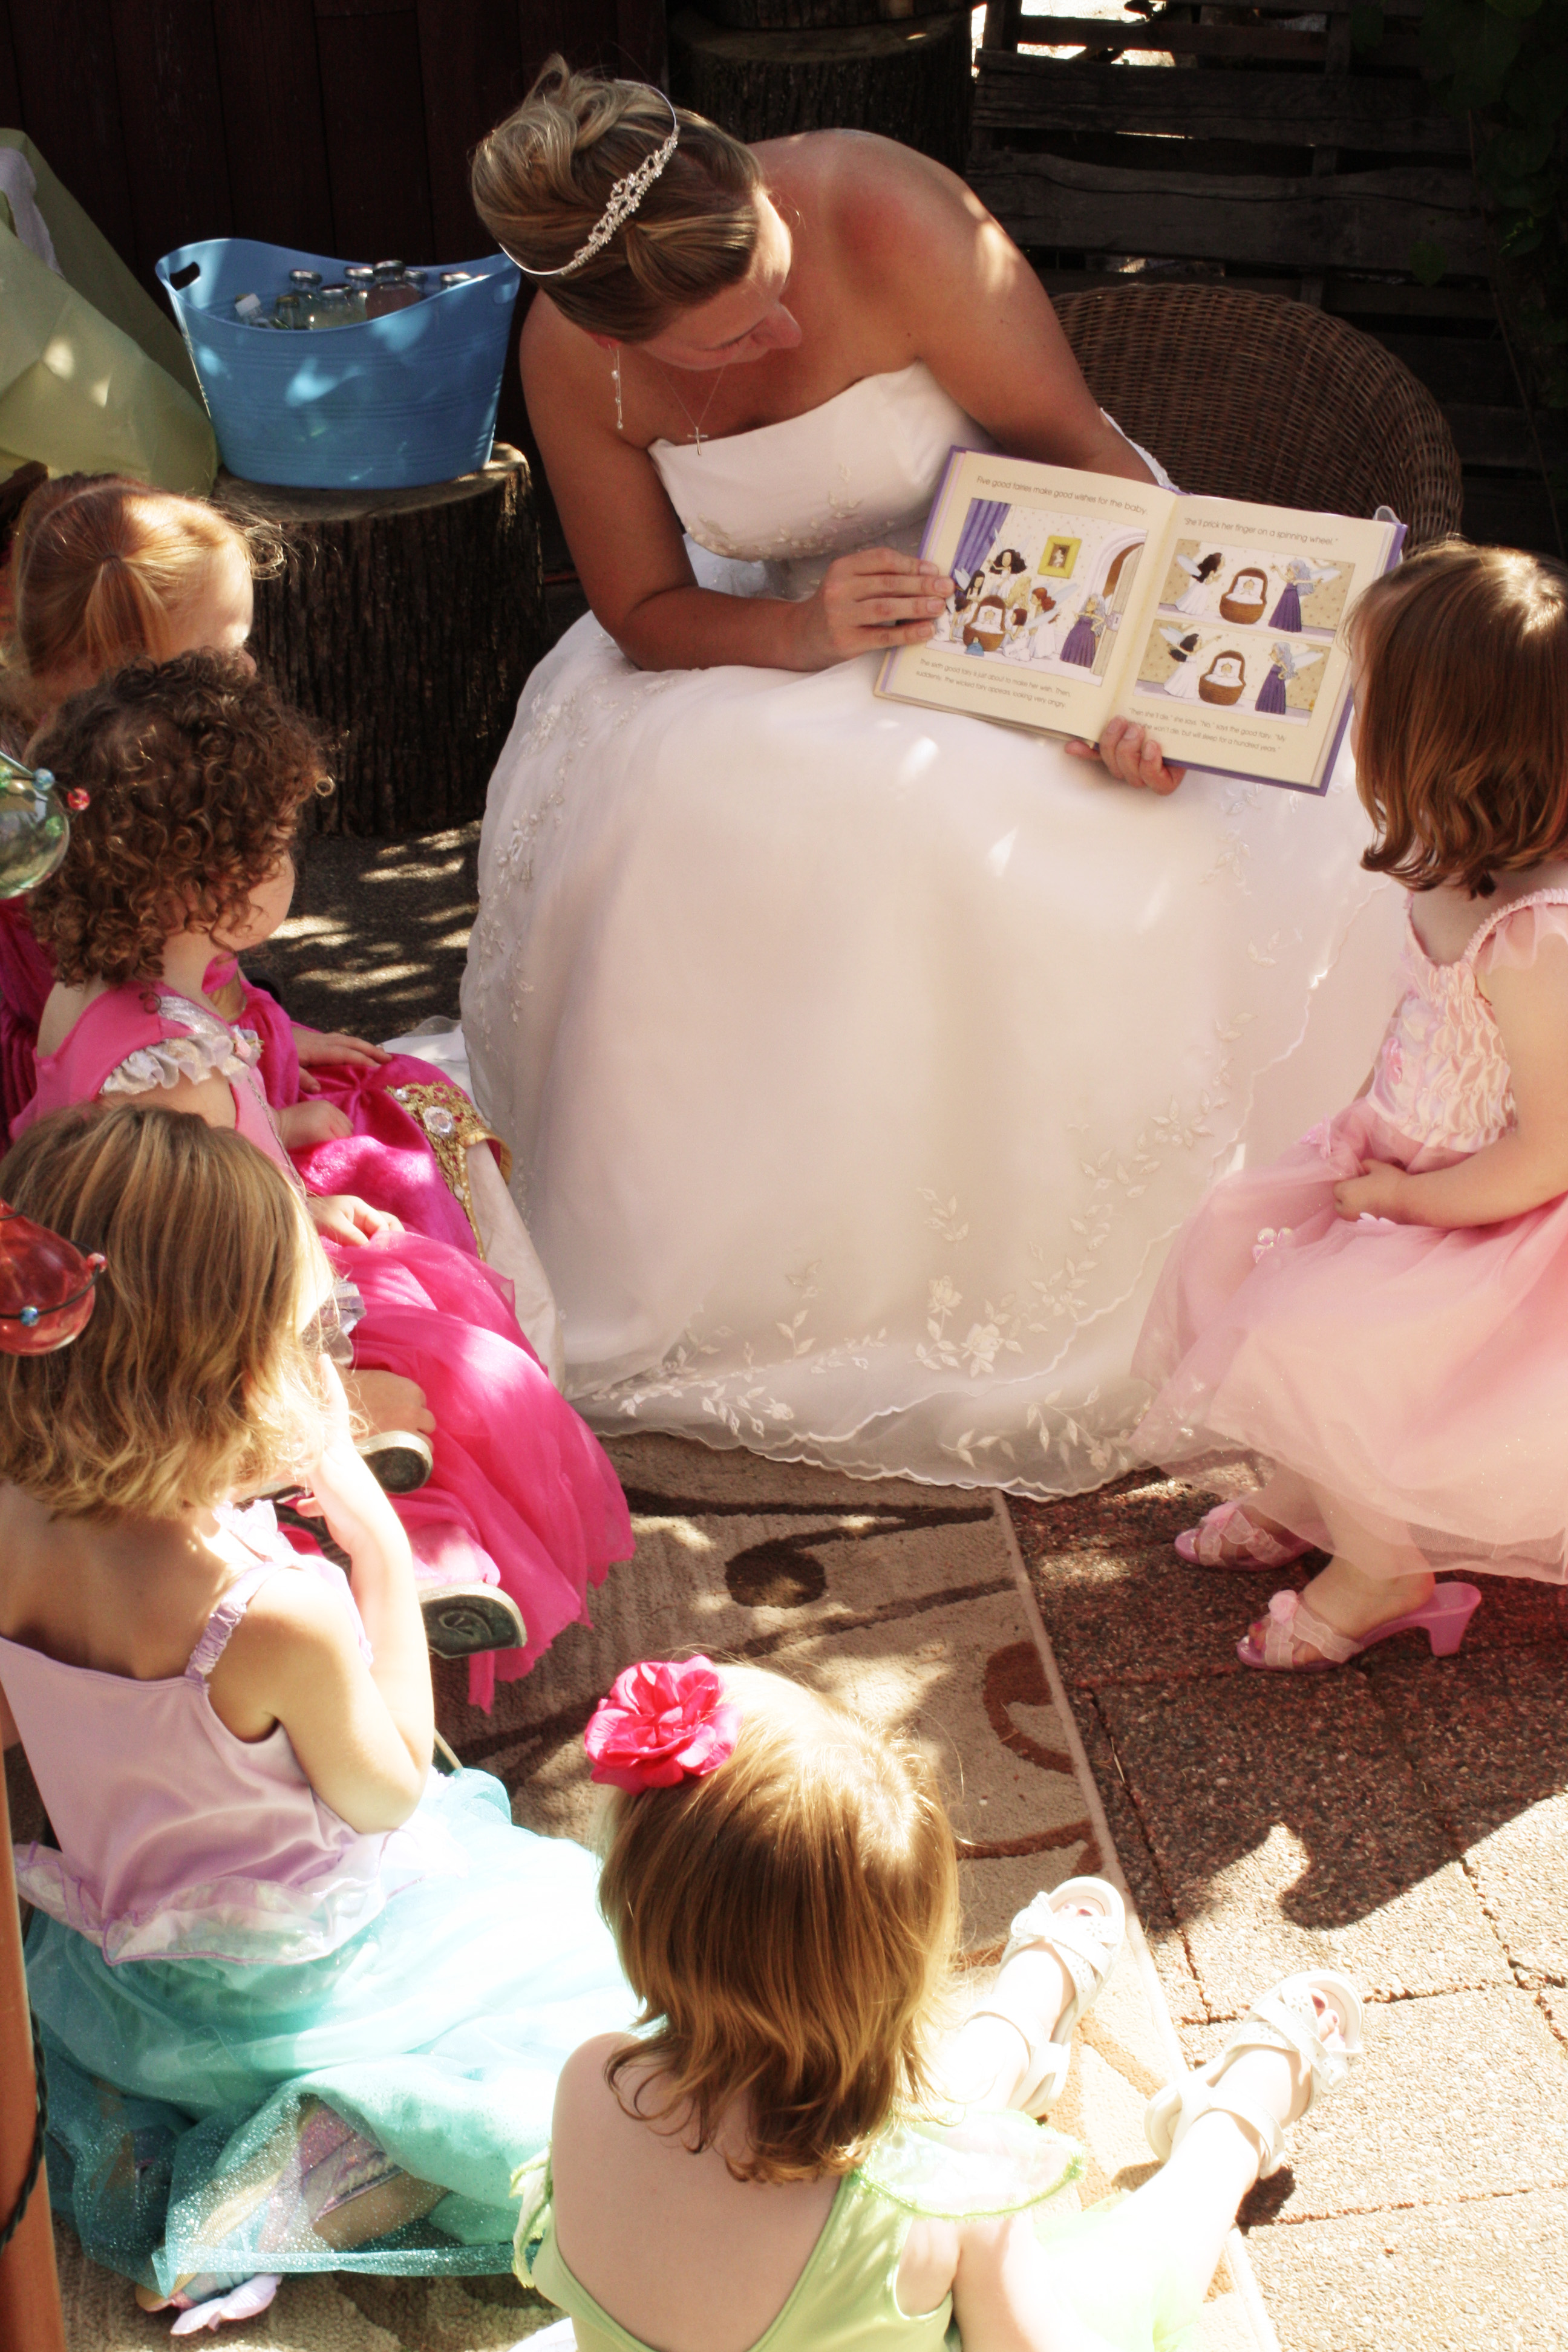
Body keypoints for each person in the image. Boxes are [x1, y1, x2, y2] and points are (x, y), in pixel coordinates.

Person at [459, 60, 1399, 1497]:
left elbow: (1079, 449)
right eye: (732, 339)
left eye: (775, 284)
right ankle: (807, 1273)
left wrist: (1125, 678)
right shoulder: (568, 355)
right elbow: (643, 609)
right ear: (610, 336)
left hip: (1050, 569)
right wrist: (794, 634)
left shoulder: (892, 213)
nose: (778, 331)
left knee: (1044, 838)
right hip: (767, 633)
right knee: (711, 820)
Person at [0, 1101, 638, 2329]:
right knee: (592, 1984)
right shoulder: (270, 1610)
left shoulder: (9, 1523)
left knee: (124, 2055)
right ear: (232, 1374)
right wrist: (381, 1551)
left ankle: (157, 2129)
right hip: (316, 1980)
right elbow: (390, 1791)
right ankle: (306, 2168)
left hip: (129, 1978)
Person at [20, 652, 632, 1704]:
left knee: (415, 1303)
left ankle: (391, 1521)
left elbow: (189, 1181)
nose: (290, 865)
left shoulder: (100, 995)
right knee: (441, 1373)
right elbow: (194, 1271)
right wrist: (313, 1339)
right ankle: (401, 1553)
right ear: (210, 888)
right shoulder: (171, 1072)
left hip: (198, 1268)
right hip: (211, 1340)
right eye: (276, 849)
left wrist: (295, 1169)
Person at [514, 1654, 1363, 2351]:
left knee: (915, 2132)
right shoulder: (950, 2199)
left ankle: (1014, 2039)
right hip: (919, 2210)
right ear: (900, 1963)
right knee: (1131, 2264)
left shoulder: (592, 2080)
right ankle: (1226, 2136)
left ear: (641, 1907)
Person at [1134, 542, 1568, 1668]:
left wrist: (1408, 1202)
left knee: (1314, 1343)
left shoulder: (1537, 937)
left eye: (1369, 696)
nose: (1352, 716)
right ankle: (1316, 1495)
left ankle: (1386, 1569)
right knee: (1232, 1259)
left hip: (1489, 1216)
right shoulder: (1450, 868)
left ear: (1439, 740)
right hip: (1403, 1164)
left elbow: (1549, 1151)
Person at [0, 475, 543, 1334]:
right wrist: (284, 1157)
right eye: (229, 648)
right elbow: (170, 1155)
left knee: (403, 1090)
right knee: (402, 1159)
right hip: (192, 1200)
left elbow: (187, 996)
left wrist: (278, 1040)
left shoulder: (129, 820)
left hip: (220, 1079)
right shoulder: (73, 855)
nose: (250, 666)